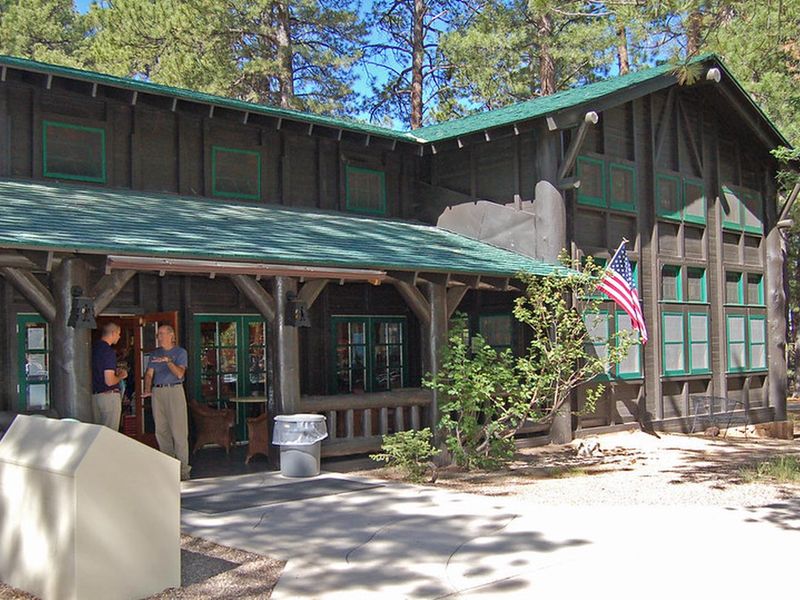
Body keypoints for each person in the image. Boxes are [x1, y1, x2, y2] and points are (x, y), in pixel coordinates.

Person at [143, 325, 191, 480]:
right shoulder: (155, 353)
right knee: (161, 431)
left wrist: (169, 361)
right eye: (158, 334)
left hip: (174, 390)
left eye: (162, 334)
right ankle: (169, 469)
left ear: (171, 335)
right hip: (158, 392)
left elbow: (180, 374)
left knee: (179, 432)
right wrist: (147, 389)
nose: (159, 337)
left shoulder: (180, 352)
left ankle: (183, 471)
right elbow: (149, 374)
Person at [91, 322, 128, 431]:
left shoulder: (92, 349)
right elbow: (109, 381)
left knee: (96, 433)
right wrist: (121, 375)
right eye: (118, 333)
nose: (119, 337)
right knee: (110, 433)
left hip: (94, 396)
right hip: (108, 397)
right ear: (113, 333)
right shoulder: (108, 352)